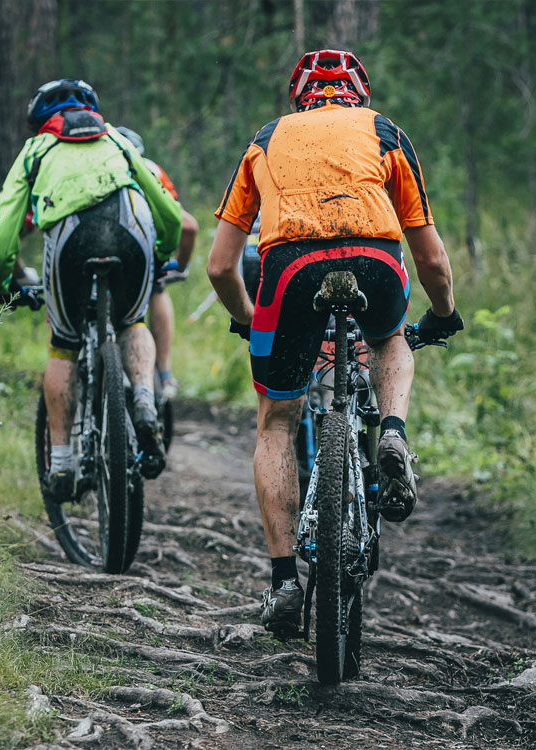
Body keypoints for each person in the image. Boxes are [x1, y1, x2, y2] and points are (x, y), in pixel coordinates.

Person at [206, 50, 463, 637]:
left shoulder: (265, 140)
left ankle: (283, 584)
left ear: (299, 97)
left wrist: (250, 320)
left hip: (289, 269)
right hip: (375, 261)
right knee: (390, 339)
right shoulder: (385, 132)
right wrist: (444, 315)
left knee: (276, 420)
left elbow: (222, 266)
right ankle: (392, 434)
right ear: (358, 93)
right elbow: (429, 256)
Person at [0, 78, 182, 499]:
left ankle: (61, 465)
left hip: (70, 239)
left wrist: (2, 282)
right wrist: (161, 251)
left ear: (40, 121)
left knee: (64, 343)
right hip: (132, 230)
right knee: (133, 320)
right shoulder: (116, 139)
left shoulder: (36, 150)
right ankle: (145, 400)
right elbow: (166, 208)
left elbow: (4, 232)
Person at [114, 127, 199, 400]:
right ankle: (164, 372)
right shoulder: (151, 169)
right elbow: (186, 225)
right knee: (157, 286)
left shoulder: (94, 169)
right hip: (143, 256)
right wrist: (178, 264)